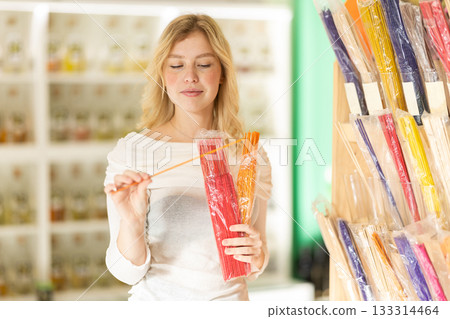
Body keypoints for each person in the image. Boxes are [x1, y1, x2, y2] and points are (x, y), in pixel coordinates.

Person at [103, 14, 272, 301]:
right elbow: (125, 272)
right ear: (162, 76)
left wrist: (258, 255)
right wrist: (132, 223)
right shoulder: (133, 152)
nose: (190, 76)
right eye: (177, 65)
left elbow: (255, 260)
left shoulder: (249, 154)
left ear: (222, 74)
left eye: (204, 64)